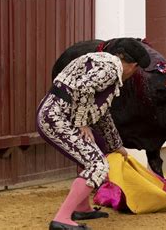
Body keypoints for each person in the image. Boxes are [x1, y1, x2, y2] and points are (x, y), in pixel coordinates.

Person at [37, 38, 150, 230]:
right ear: (132, 65)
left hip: (55, 114)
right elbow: (83, 88)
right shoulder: (111, 69)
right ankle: (62, 218)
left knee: (91, 155)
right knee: (98, 164)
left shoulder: (104, 63)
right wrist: (82, 122)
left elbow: (102, 114)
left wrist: (116, 145)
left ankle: (82, 207)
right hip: (56, 118)